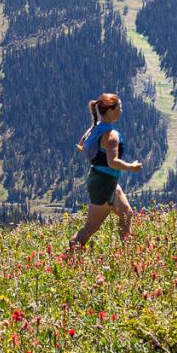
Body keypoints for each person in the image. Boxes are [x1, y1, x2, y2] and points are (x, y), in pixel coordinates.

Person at [69, 93, 142, 249]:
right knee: (91, 227)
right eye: (119, 108)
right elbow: (113, 162)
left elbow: (82, 144)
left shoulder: (95, 129)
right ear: (110, 110)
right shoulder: (111, 135)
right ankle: (69, 254)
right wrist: (132, 166)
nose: (121, 111)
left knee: (126, 213)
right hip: (104, 183)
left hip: (103, 179)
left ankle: (129, 252)